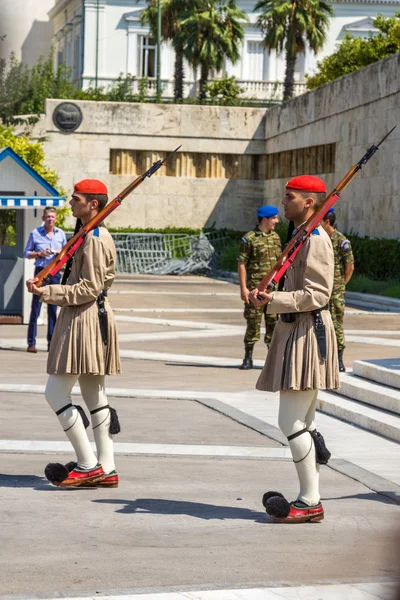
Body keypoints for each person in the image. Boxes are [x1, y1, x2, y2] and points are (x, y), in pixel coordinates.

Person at [250, 175, 339, 523]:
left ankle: (309, 501)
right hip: (295, 330)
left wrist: (274, 298)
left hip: (307, 331)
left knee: (290, 421)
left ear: (309, 203)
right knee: (302, 420)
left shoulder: (315, 239)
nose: (282, 203)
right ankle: (309, 496)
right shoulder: (300, 235)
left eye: (289, 197)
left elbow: (319, 295)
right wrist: (269, 298)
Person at [26, 179, 121, 488]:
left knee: (55, 393)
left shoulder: (94, 237)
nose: (70, 202)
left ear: (94, 204)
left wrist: (47, 293)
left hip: (84, 319)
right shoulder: (90, 233)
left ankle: (87, 464)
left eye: (76, 198)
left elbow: (89, 288)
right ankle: (106, 467)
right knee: (94, 394)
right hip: (90, 317)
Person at [237, 205, 282, 369]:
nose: (276, 221)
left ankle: (272, 360)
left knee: (273, 325)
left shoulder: (276, 238)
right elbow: (242, 263)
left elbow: (280, 264)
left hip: (272, 291)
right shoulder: (249, 238)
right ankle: (248, 357)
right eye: (274, 218)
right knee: (253, 323)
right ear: (265, 219)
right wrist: (243, 289)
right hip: (254, 289)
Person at [24, 207, 67, 353]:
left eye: (52, 217)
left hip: (54, 273)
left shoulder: (60, 234)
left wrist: (57, 254)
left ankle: (52, 343)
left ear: (56, 219)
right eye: (48, 216)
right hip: (40, 273)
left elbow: (66, 253)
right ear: (43, 218)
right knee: (35, 309)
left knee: (52, 309)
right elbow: (26, 253)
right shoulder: (35, 233)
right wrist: (39, 253)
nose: (50, 219)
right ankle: (31, 343)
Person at [321, 208, 355, 372]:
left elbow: (350, 267)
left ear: (327, 221)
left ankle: (339, 359)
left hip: (335, 290)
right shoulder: (318, 239)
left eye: (320, 220)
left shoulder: (341, 241)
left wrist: (341, 284)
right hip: (320, 289)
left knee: (336, 324)